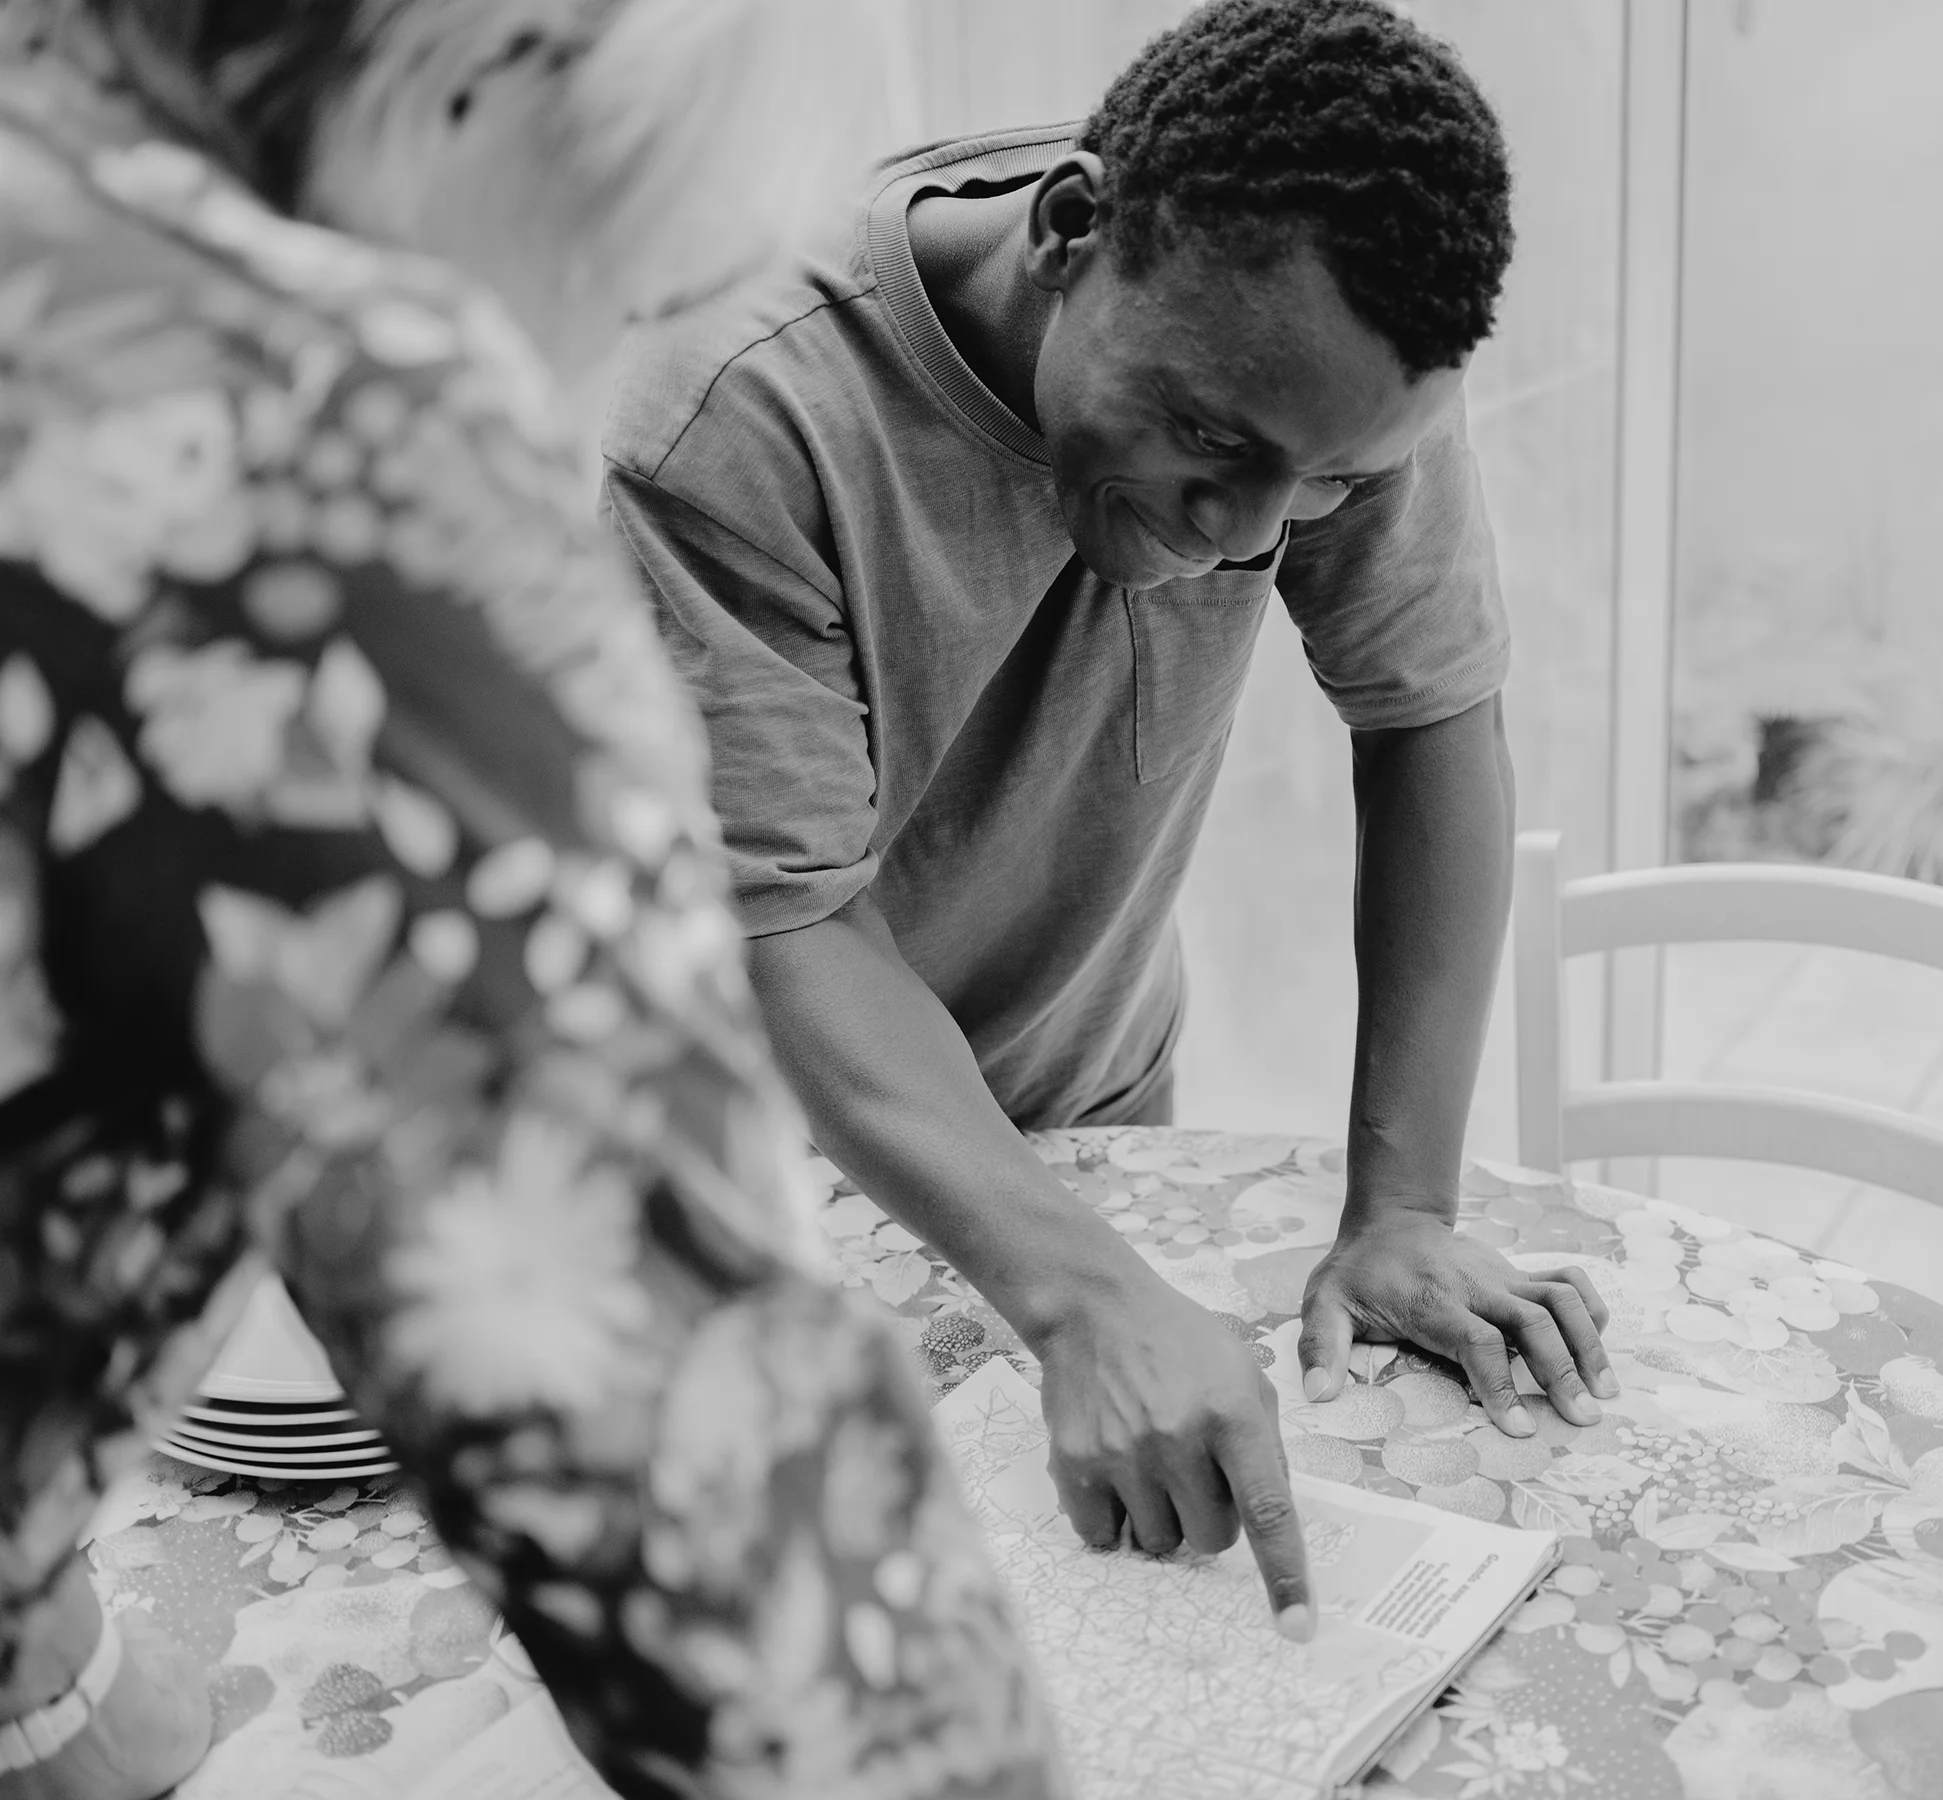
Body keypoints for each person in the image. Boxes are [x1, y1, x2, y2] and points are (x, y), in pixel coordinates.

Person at [0, 3, 1060, 1797]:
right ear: (491, 59)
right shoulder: (304, 451)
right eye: (639, 287)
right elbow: (762, 1605)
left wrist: (51, 1682)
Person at [602, 0, 1618, 1627]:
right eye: (1215, 443)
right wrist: (1081, 1303)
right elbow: (776, 916)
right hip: (748, 1176)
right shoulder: (732, 410)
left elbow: (1429, 718)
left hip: (1087, 1113)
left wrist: (1406, 1209)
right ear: (1072, 230)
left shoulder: (1327, 373)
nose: (1250, 533)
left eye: (1321, 482)